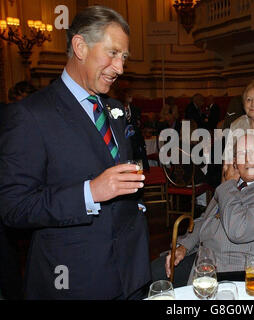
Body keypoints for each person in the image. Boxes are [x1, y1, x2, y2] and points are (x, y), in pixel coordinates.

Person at [0, 6, 150, 299]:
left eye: (124, 58)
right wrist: (89, 192)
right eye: (113, 53)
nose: (120, 68)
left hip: (131, 273)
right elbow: (13, 207)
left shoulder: (115, 109)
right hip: (73, 279)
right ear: (80, 46)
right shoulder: (30, 115)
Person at [151, 134, 254, 287]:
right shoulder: (233, 185)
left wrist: (228, 184)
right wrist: (183, 247)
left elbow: (238, 230)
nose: (248, 159)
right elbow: (206, 218)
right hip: (204, 260)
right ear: (235, 162)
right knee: (150, 273)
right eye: (241, 154)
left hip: (238, 274)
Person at [120, 88, 149, 170]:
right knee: (127, 172)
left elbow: (139, 126)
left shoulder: (136, 109)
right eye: (127, 94)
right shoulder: (116, 109)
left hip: (137, 146)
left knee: (139, 172)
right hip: (125, 146)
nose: (130, 96)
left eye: (130, 93)